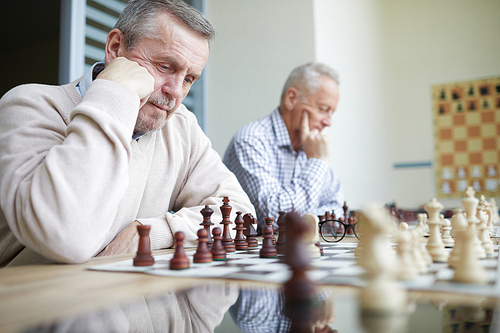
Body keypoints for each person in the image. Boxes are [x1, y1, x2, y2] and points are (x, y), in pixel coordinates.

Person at [0, 0, 255, 267]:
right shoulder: (29, 105)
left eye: (189, 78)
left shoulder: (181, 127)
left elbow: (242, 217)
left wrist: (149, 234)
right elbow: (67, 236)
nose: (177, 91)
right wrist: (116, 92)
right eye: (165, 66)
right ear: (114, 48)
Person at [223, 63, 344, 232]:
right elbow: (274, 218)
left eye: (332, 113)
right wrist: (317, 162)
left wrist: (304, 222)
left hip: (302, 252)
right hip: (255, 256)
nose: (328, 122)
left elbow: (337, 209)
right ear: (291, 99)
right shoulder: (251, 140)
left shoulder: (310, 145)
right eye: (323, 109)